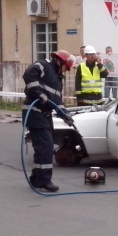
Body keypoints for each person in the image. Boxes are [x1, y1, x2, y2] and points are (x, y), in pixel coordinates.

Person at [22, 50, 76, 192]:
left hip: (45, 115)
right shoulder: (44, 65)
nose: (66, 71)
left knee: (42, 148)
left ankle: (36, 178)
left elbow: (56, 101)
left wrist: (65, 115)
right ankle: (44, 180)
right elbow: (28, 74)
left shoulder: (58, 80)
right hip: (34, 112)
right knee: (46, 148)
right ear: (60, 61)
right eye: (66, 67)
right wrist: (39, 93)